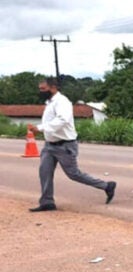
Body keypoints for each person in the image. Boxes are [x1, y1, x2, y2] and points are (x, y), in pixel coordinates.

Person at [28, 77, 116, 212]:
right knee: (44, 172)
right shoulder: (50, 102)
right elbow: (52, 123)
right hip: (50, 145)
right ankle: (47, 202)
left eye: (43, 89)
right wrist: (40, 131)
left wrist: (40, 128)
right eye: (40, 89)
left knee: (73, 174)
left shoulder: (62, 102)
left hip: (65, 146)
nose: (40, 91)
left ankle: (106, 186)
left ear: (53, 87)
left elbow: (62, 120)